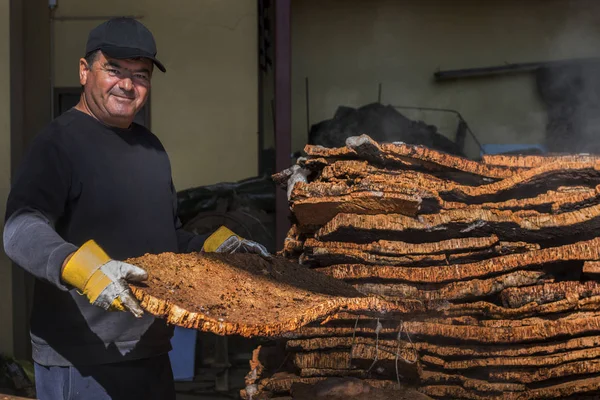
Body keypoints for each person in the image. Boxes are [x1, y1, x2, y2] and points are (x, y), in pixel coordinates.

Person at [3, 17, 268, 400]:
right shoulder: (57, 144)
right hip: (83, 361)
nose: (127, 85)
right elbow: (19, 230)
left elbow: (164, 235)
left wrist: (206, 249)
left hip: (151, 351)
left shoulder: (151, 149)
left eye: (140, 75)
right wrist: (83, 269)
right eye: (114, 70)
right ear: (84, 71)